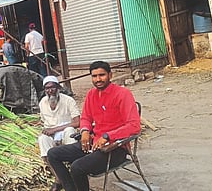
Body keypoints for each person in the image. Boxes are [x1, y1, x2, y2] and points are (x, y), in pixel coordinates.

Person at [47, 61, 141, 191]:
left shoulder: (123, 94)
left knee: (77, 167)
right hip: (93, 143)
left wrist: (108, 136)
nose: (98, 79)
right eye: (94, 76)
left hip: (116, 148)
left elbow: (134, 126)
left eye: (101, 75)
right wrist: (85, 130)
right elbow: (85, 118)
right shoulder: (92, 94)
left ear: (110, 75)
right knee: (53, 154)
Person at [39, 76, 80, 191]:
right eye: (47, 88)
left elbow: (77, 122)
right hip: (51, 134)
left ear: (58, 87)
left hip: (66, 131)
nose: (50, 90)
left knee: (70, 131)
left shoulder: (68, 100)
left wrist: (55, 129)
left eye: (52, 87)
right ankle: (59, 179)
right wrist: (48, 131)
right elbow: (44, 122)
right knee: (42, 139)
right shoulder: (42, 102)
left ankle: (75, 176)